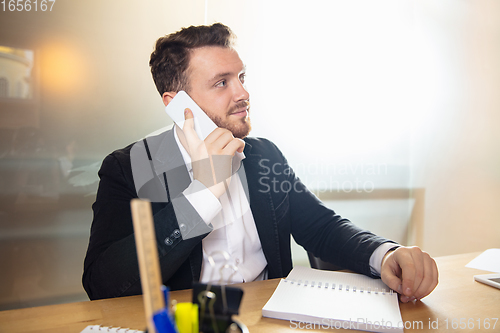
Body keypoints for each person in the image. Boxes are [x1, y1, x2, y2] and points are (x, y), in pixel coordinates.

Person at [83, 23, 438, 303]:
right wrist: (204, 192)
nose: (243, 94)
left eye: (241, 78)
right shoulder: (127, 167)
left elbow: (320, 227)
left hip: (268, 318)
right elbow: (104, 284)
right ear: (177, 105)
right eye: (222, 83)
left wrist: (384, 254)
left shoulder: (263, 155)